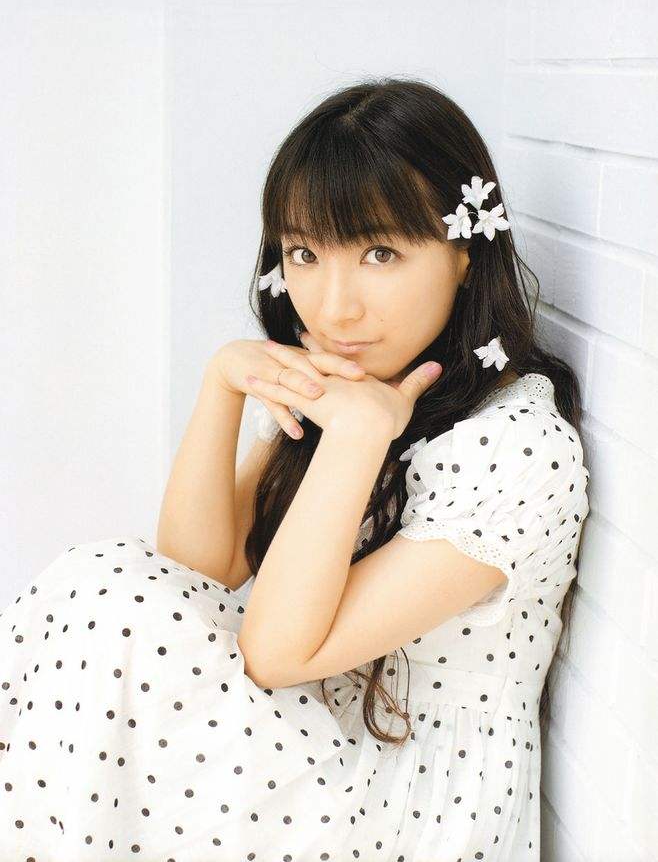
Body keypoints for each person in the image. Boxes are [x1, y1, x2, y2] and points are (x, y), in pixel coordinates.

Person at [0, 78, 590, 861]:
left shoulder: (515, 447)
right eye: (305, 253)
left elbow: (276, 653)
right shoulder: (361, 385)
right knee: (103, 583)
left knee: (110, 597)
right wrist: (222, 384)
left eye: (380, 252)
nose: (334, 307)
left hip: (404, 804)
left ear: (462, 254)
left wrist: (358, 434)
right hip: (320, 745)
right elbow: (195, 568)